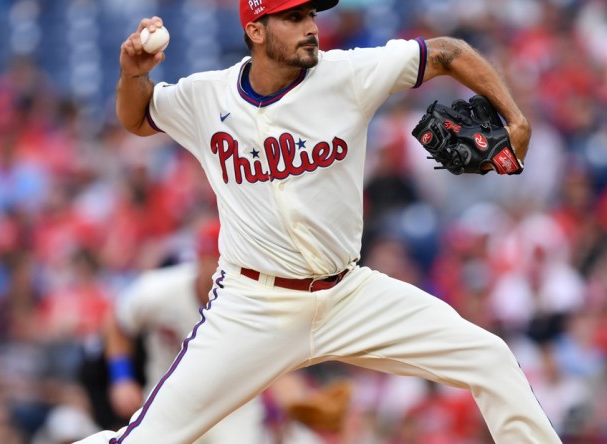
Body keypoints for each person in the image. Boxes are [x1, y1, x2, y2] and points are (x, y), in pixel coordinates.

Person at [79, 0, 562, 442]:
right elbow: (137, 117)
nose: (311, 27)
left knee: (489, 357)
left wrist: (515, 119)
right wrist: (132, 75)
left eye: (311, 15)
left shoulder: (347, 74)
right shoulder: (206, 97)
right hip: (253, 307)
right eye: (294, 18)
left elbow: (448, 52)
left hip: (348, 295)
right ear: (257, 30)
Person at [103, 219, 344, 443]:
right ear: (200, 257)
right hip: (168, 397)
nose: (227, 268)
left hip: (231, 408)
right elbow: (119, 321)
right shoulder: (159, 291)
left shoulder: (254, 302)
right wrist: (121, 377)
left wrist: (297, 400)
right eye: (219, 259)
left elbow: (272, 360)